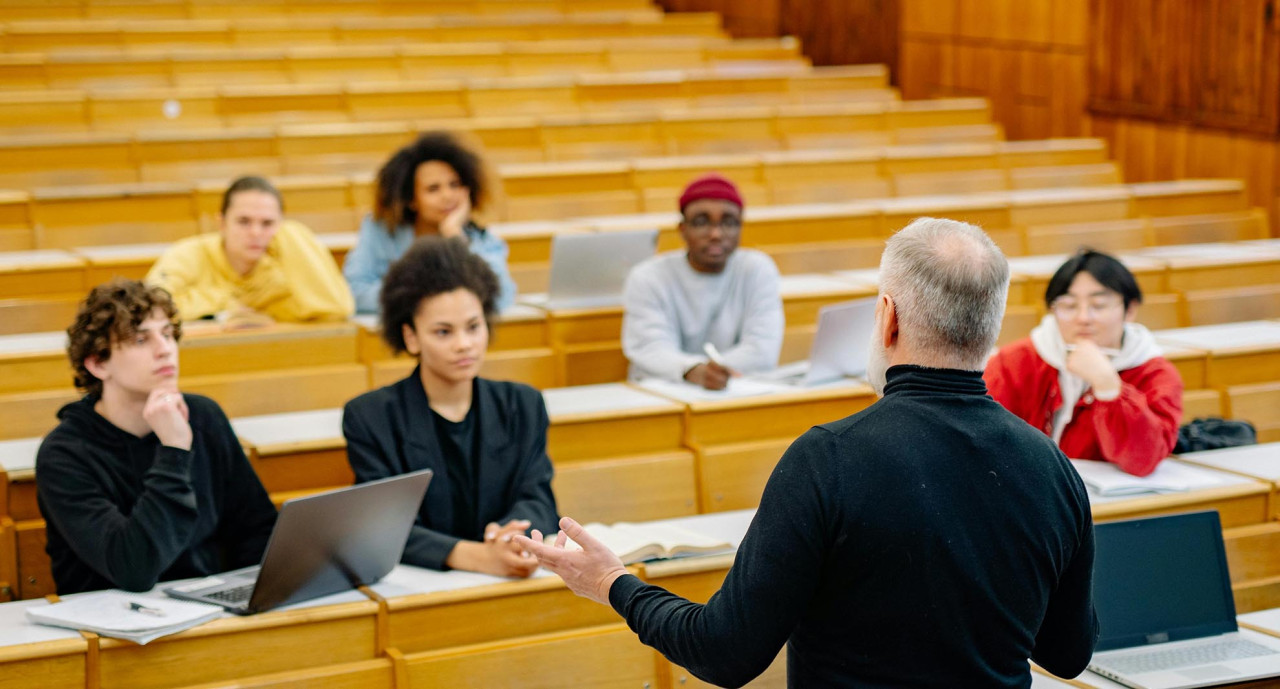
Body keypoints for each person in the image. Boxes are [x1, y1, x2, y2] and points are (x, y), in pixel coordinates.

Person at [518, 218, 1098, 687]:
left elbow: (725, 653)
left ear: (887, 317)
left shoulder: (831, 459)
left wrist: (612, 582)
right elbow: (1068, 655)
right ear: (990, 327)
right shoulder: (1050, 466)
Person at [36, 280, 277, 595]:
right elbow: (134, 569)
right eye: (140, 339)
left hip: (208, 611)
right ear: (98, 363)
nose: (165, 350)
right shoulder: (64, 454)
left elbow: (256, 530)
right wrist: (174, 450)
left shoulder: (204, 417)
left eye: (166, 334)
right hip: (112, 628)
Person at [342, 236, 557, 577]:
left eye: (474, 327)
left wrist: (512, 535)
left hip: (507, 580)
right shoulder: (370, 417)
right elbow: (383, 527)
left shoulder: (523, 404)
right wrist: (478, 556)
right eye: (443, 332)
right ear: (411, 337)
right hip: (419, 584)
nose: (464, 345)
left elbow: (539, 498)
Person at [984, 249, 1182, 477]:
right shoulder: (1016, 361)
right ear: (1052, 310)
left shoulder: (1155, 374)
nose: (1084, 318)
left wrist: (1109, 388)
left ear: (1130, 309)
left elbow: (1143, 460)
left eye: (1098, 306)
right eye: (1068, 306)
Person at [621, 173, 783, 390]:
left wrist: (714, 373)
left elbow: (762, 348)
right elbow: (649, 348)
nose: (716, 233)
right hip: (665, 392)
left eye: (728, 222)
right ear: (683, 229)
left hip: (738, 390)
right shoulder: (648, 277)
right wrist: (693, 370)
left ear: (740, 227)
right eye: (701, 222)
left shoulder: (757, 269)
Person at [343, 131, 517, 314]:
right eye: (433, 189)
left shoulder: (477, 237)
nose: (447, 196)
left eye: (455, 185)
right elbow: (354, 292)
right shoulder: (381, 230)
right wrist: (428, 296)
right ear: (411, 199)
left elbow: (502, 297)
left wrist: (455, 237)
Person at [145, 176, 354, 325]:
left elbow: (335, 309)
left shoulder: (277, 271)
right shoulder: (189, 254)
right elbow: (150, 307)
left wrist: (292, 233)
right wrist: (227, 303)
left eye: (268, 223)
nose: (256, 232)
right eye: (244, 221)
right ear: (222, 223)